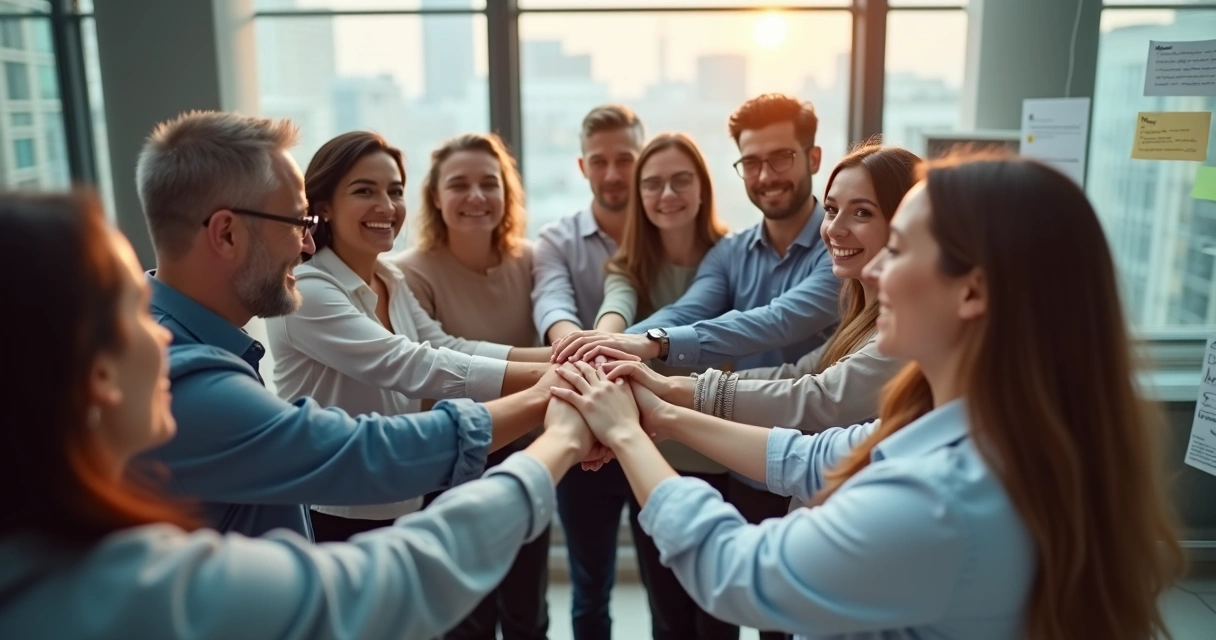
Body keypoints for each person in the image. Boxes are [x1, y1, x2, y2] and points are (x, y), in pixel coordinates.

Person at [554, 154, 1186, 640]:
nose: (875, 269)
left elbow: (737, 573)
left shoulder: (940, 501)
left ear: (972, 291)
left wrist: (629, 434)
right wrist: (663, 411)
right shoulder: (987, 428)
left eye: (899, 248)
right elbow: (810, 454)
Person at [0, 191, 599, 640]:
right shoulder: (137, 584)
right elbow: (391, 573)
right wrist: (558, 433)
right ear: (94, 372)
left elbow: (441, 349)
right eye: (135, 311)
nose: (160, 336)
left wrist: (563, 365)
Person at [134, 111, 593, 541]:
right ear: (227, 233)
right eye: (296, 221)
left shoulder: (198, 348)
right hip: (344, 516)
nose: (306, 243)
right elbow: (368, 441)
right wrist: (554, 392)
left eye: (395, 191)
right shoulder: (183, 379)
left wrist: (576, 356)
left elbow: (442, 346)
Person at [265, 131, 562, 544]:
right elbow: (410, 365)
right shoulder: (309, 289)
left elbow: (449, 347)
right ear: (324, 206)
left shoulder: (390, 277)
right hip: (334, 508)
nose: (386, 206)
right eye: (365, 191)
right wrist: (555, 378)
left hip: (401, 496)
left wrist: (567, 354)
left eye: (395, 191)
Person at [609, 143, 920, 467]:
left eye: (862, 212)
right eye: (831, 209)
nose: (835, 229)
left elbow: (815, 394)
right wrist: (625, 350)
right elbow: (796, 374)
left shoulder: (908, 329)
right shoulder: (861, 316)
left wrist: (666, 377)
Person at [397, 132, 549, 640]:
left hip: (524, 448)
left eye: (489, 183)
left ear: (506, 193)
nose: (476, 196)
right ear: (435, 198)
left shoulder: (531, 260)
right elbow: (442, 357)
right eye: (459, 185)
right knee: (466, 616)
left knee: (527, 608)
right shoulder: (407, 273)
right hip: (453, 455)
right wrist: (562, 362)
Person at [590, 131, 735, 640]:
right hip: (653, 457)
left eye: (680, 181)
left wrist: (614, 345)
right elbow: (616, 307)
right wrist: (602, 340)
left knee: (719, 614)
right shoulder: (628, 265)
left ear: (703, 188)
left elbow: (689, 311)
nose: (667, 194)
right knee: (668, 615)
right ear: (639, 194)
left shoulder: (731, 258)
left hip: (723, 454)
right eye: (652, 184)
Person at [530, 104, 645, 640]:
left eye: (626, 158)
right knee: (589, 587)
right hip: (581, 438)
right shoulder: (557, 238)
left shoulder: (668, 233)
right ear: (582, 167)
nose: (613, 173)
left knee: (672, 582)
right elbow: (551, 302)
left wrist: (588, 352)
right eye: (600, 161)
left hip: (659, 434)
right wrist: (581, 350)